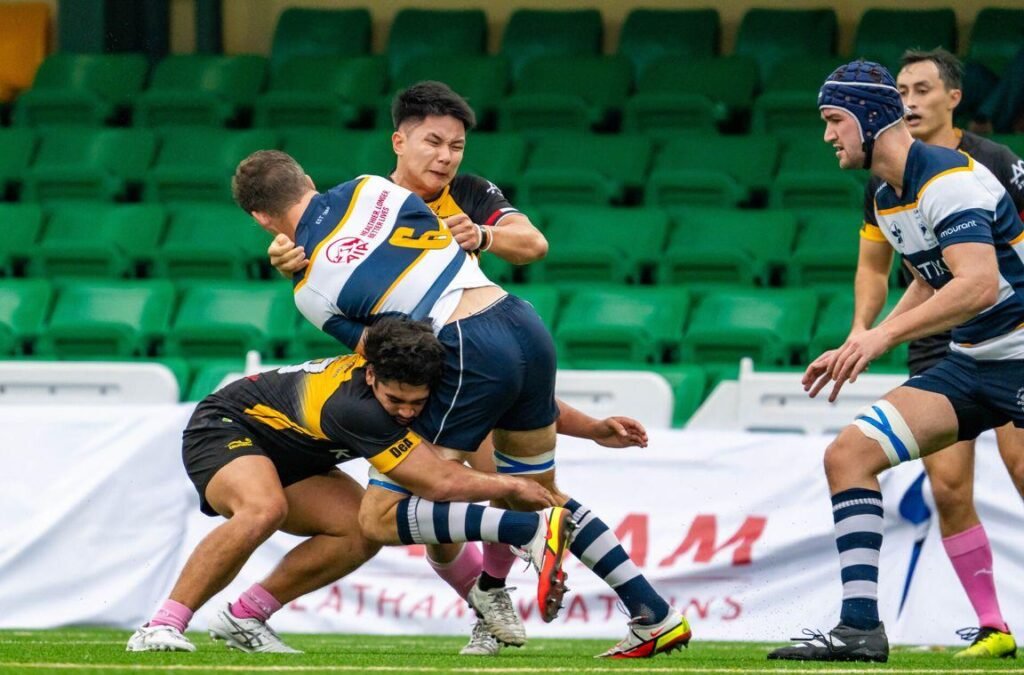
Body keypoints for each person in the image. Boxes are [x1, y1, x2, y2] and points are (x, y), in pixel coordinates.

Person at [233, 150, 691, 660]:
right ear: (309, 179)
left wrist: (295, 265)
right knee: (540, 491)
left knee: (380, 517)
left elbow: (386, 356)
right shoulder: (370, 187)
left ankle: (527, 536)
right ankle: (654, 614)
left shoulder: (308, 288)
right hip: (523, 323)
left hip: (463, 343)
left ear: (261, 218)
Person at [767, 59, 1024, 663]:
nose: (828, 135)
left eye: (834, 120)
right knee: (849, 455)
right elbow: (932, 278)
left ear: (867, 117)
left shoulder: (949, 181)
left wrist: (878, 341)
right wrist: (866, 335)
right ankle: (859, 629)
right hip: (972, 362)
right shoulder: (886, 195)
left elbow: (978, 284)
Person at [126, 317, 570, 653]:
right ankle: (161, 625)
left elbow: (517, 399)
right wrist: (510, 490)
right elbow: (438, 482)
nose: (406, 413)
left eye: (417, 403)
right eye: (395, 400)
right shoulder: (358, 408)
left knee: (361, 530)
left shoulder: (419, 379)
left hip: (299, 455)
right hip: (226, 426)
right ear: (372, 375)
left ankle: (245, 617)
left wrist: (596, 429)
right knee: (263, 509)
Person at [852, 48, 1024, 660]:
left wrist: (879, 336)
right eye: (900, 90)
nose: (910, 100)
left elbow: (986, 269)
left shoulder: (992, 162)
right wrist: (862, 332)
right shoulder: (884, 181)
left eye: (922, 88)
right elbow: (890, 268)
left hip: (1010, 331)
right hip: (939, 335)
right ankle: (993, 627)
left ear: (953, 97)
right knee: (948, 487)